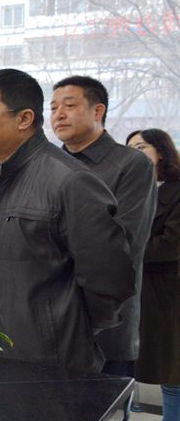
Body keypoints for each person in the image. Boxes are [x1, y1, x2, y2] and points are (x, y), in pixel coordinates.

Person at [0, 68, 134, 372]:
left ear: (24, 119)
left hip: (43, 356)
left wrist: (68, 330)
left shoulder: (69, 180)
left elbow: (110, 278)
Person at [51, 76, 156, 377]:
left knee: (105, 408)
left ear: (98, 111)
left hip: (105, 325)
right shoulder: (46, 164)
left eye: (69, 105)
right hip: (47, 325)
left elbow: (124, 245)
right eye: (53, 107)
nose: (59, 115)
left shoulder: (131, 164)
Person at [127, 129, 180, 421]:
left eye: (141, 146)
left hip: (166, 292)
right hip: (131, 289)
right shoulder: (129, 189)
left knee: (171, 370)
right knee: (122, 365)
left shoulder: (176, 190)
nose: (134, 152)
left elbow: (170, 244)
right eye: (129, 147)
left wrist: (122, 249)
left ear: (161, 151)